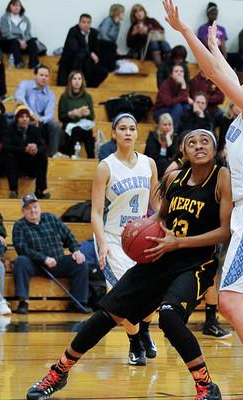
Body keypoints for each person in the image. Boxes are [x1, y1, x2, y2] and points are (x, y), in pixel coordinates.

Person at [26, 128, 233, 400]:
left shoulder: (222, 177)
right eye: (191, 142)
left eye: (204, 141)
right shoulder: (173, 179)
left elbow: (225, 232)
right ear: (183, 151)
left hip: (196, 263)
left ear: (215, 149)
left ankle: (206, 387)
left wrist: (178, 243)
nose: (198, 146)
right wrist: (142, 231)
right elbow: (160, 218)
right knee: (107, 311)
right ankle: (59, 371)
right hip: (160, 256)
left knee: (169, 317)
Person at [163, 1, 243, 398]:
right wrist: (195, 36)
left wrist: (187, 33)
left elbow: (218, 76)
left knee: (228, 301)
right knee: (231, 300)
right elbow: (213, 69)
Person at [92, 113, 160, 365]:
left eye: (132, 128)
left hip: (143, 238)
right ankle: (134, 344)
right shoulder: (105, 167)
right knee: (127, 297)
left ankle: (144, 330)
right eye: (122, 128)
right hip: (114, 240)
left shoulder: (149, 163)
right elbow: (97, 212)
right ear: (114, 133)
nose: (128, 132)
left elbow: (156, 201)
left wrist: (167, 224)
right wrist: (102, 244)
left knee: (153, 294)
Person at [12, 194, 91, 314]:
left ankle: (78, 303)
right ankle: (23, 302)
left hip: (58, 261)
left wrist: (75, 250)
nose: (33, 211)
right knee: (20, 261)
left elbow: (68, 236)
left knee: (80, 263)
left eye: (35, 207)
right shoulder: (19, 226)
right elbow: (21, 248)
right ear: (23, 211)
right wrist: (43, 259)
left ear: (39, 207)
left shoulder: (51, 218)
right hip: (36, 265)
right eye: (28, 208)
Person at [0, 106, 50, 199]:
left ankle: (40, 190)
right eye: (21, 117)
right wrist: (24, 149)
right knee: (10, 157)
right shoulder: (9, 129)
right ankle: (13, 190)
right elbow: (6, 147)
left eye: (26, 117)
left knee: (43, 158)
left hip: (29, 161)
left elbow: (43, 146)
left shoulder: (35, 130)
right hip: (16, 161)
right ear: (17, 119)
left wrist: (36, 149)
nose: (24, 119)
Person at [14, 65, 63, 157]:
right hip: (25, 117)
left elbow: (49, 114)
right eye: (41, 75)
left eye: (46, 76)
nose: (44, 78)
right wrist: (31, 115)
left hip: (40, 122)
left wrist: (40, 119)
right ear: (35, 75)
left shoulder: (50, 94)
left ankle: (53, 154)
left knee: (55, 126)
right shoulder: (25, 84)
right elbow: (19, 99)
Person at [56, 14, 108, 88]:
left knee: (103, 72)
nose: (86, 25)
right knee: (80, 55)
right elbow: (75, 49)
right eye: (83, 22)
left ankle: (89, 87)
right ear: (79, 23)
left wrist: (95, 56)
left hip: (86, 63)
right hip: (71, 63)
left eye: (88, 22)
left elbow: (96, 50)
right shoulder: (73, 31)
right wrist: (90, 54)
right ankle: (77, 82)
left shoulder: (93, 33)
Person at [196, 2, 243, 72]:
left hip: (220, 53)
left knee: (240, 57)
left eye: (215, 14)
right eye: (212, 14)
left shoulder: (221, 28)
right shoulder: (202, 28)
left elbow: (223, 44)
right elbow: (205, 44)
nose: (214, 16)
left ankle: (240, 76)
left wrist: (224, 56)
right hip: (209, 53)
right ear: (207, 14)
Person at [58, 71, 95, 158]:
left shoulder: (87, 96)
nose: (77, 81)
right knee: (76, 130)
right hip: (70, 126)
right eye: (74, 79)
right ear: (70, 81)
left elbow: (92, 117)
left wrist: (87, 113)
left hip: (84, 125)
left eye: (79, 79)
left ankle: (91, 157)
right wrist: (71, 114)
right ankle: (72, 156)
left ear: (82, 81)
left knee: (88, 132)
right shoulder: (64, 97)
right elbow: (61, 117)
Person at [0, 0, 40, 69]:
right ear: (10, 7)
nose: (16, 7)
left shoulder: (25, 19)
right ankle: (19, 62)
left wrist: (24, 41)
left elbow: (27, 33)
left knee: (33, 42)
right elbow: (6, 33)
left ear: (21, 7)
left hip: (23, 42)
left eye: (18, 5)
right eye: (14, 5)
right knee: (14, 42)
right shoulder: (4, 18)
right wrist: (19, 41)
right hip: (9, 42)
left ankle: (33, 65)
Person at [153, 64, 191, 129]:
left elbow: (185, 100)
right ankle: (173, 131)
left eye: (181, 71)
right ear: (171, 74)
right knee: (178, 106)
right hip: (160, 110)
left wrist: (183, 86)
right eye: (176, 71)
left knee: (187, 107)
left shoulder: (182, 83)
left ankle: (186, 131)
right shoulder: (166, 84)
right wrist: (183, 88)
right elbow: (168, 102)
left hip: (174, 109)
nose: (179, 73)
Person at [145, 113, 176, 177]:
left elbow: (175, 155)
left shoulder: (174, 137)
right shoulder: (152, 136)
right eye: (165, 124)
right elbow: (152, 155)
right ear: (160, 125)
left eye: (169, 124)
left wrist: (168, 139)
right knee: (163, 162)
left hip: (167, 167)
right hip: (152, 164)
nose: (167, 127)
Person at [97, 4, 125, 72]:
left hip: (109, 45)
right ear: (117, 13)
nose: (124, 14)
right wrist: (113, 45)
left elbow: (114, 39)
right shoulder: (108, 20)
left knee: (116, 52)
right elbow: (103, 34)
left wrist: (116, 48)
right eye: (123, 12)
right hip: (100, 42)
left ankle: (112, 68)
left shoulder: (118, 24)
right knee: (112, 47)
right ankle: (111, 68)